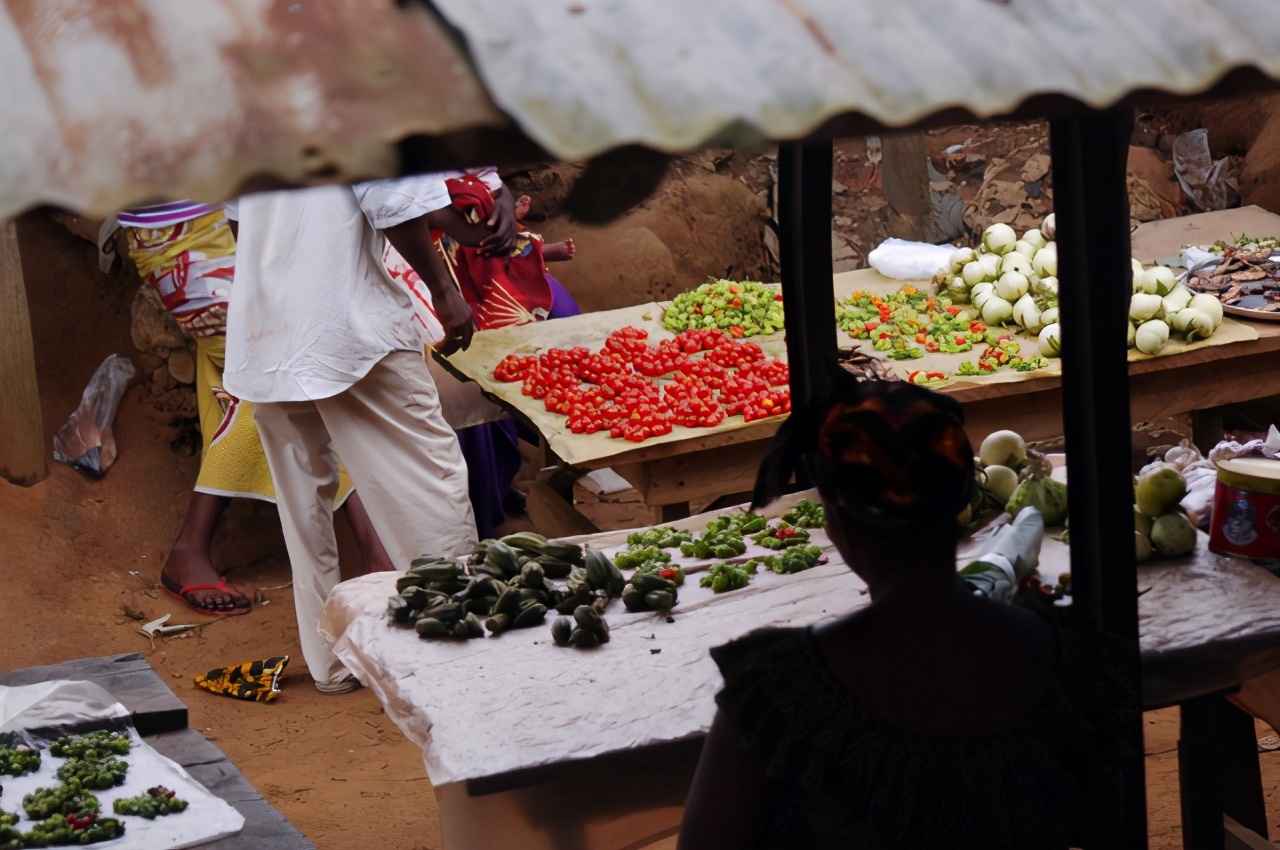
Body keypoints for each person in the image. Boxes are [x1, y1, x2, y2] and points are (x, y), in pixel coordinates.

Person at [679, 371, 1137, 849]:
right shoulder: (1071, 662)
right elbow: (1104, 820)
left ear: (837, 523)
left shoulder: (778, 693)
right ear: (963, 504)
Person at [222, 175, 496, 693]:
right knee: (428, 481)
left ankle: (331, 663)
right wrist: (444, 290)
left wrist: (284, 285)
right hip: (348, 324)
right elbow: (394, 201)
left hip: (267, 331)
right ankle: (456, 649)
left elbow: (241, 220)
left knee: (303, 507)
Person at [113, 202, 392, 616]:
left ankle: (377, 556)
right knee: (290, 373)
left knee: (291, 372)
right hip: (189, 230)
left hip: (224, 221)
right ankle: (378, 557)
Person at [433, 178, 583, 536]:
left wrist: (501, 202)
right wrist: (445, 286)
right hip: (435, 269)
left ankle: (530, 479)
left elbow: (492, 183)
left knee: (563, 330)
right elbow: (401, 209)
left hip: (489, 256)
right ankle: (486, 505)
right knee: (465, 392)